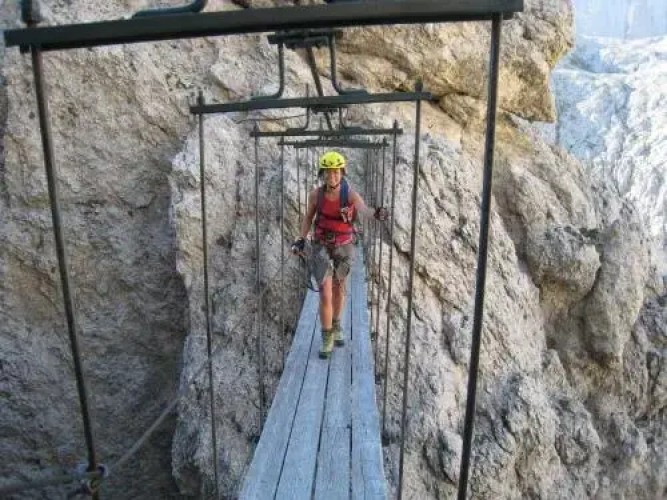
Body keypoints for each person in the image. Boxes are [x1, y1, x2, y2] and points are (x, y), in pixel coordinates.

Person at [291, 150, 387, 359]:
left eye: (336, 172)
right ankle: (327, 336)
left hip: (344, 245)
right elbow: (308, 218)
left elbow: (364, 210)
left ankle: (336, 324)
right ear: (322, 173)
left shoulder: (350, 194)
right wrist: (301, 238)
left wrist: (376, 213)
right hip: (321, 245)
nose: (332, 176)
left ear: (342, 173)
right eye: (328, 172)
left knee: (339, 288)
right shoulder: (316, 195)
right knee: (325, 292)